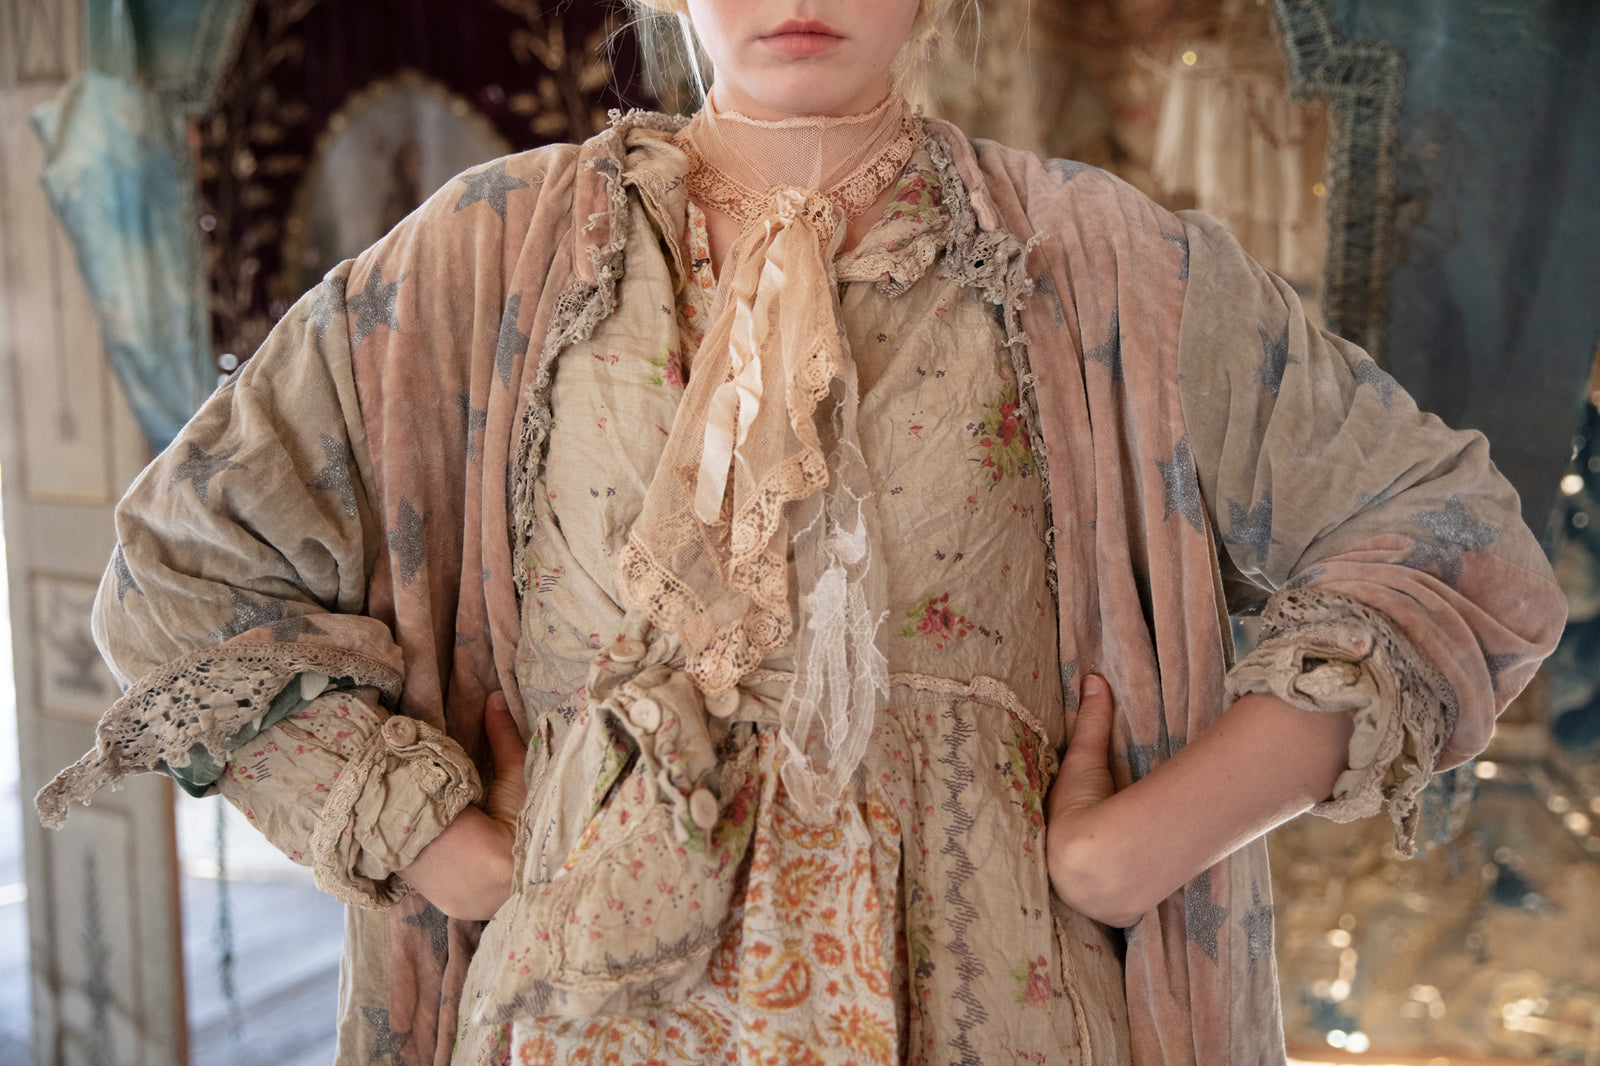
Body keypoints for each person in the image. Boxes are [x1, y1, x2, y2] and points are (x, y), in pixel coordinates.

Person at [37, 1, 1565, 1062]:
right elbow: (181, 575)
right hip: (588, 1015)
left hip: (989, 1008)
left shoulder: (1099, 262)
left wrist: (1134, 850)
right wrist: (451, 854)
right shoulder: (490, 257)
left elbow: (1454, 543)